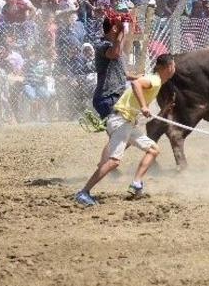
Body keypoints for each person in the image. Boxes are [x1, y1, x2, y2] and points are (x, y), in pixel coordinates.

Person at [75, 53, 176, 207]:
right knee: (114, 162)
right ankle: (84, 192)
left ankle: (136, 184)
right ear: (168, 67)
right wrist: (143, 106)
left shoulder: (157, 82)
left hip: (127, 123)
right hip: (121, 121)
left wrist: (153, 109)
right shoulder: (155, 80)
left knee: (153, 150)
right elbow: (136, 84)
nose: (174, 68)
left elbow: (140, 105)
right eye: (173, 65)